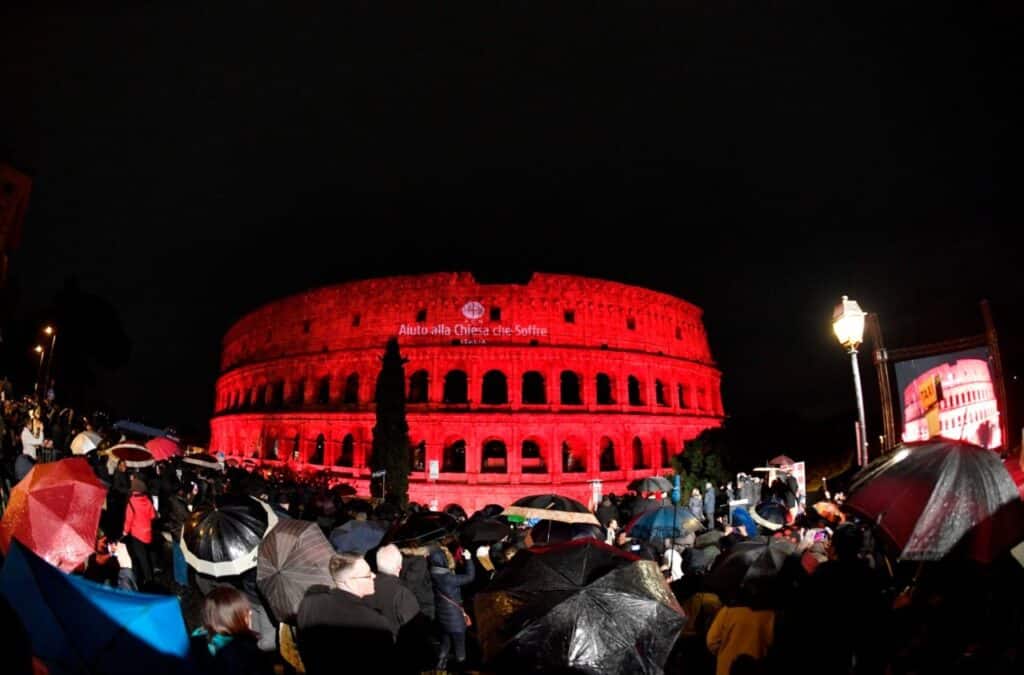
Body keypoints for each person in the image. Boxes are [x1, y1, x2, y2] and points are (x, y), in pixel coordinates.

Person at [296, 553, 396, 674]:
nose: (374, 576)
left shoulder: (309, 604)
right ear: (349, 582)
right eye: (368, 575)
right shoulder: (376, 623)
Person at [191, 586, 273, 675]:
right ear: (231, 618)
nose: (250, 613)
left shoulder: (197, 637)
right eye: (244, 611)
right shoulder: (244, 651)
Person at [429, 545, 476, 670]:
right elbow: (470, 577)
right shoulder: (448, 578)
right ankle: (460, 667)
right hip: (456, 620)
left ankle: (440, 664)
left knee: (445, 642)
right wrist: (468, 559)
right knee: (460, 647)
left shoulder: (431, 574)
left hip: (442, 618)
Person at [122, 476, 157, 587]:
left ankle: (148, 580)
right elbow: (152, 516)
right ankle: (148, 575)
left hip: (137, 534)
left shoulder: (131, 502)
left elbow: (129, 519)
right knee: (145, 555)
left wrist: (125, 531)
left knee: (141, 558)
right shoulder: (147, 500)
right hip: (148, 533)